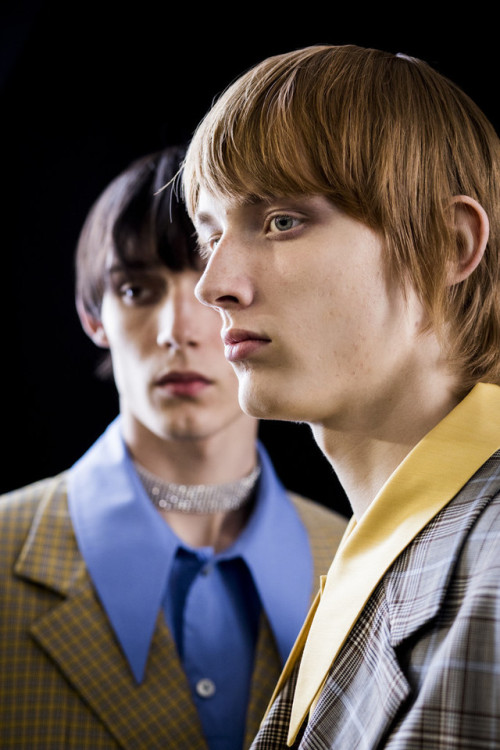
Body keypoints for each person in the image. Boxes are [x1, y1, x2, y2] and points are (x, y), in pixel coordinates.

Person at [182, 45, 500, 748]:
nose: (213, 284)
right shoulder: (386, 547)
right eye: (210, 235)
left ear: (451, 244)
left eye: (281, 221)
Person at [0, 145, 348, 750]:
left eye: (213, 277)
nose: (180, 330)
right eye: (137, 290)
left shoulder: (359, 563)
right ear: (93, 317)